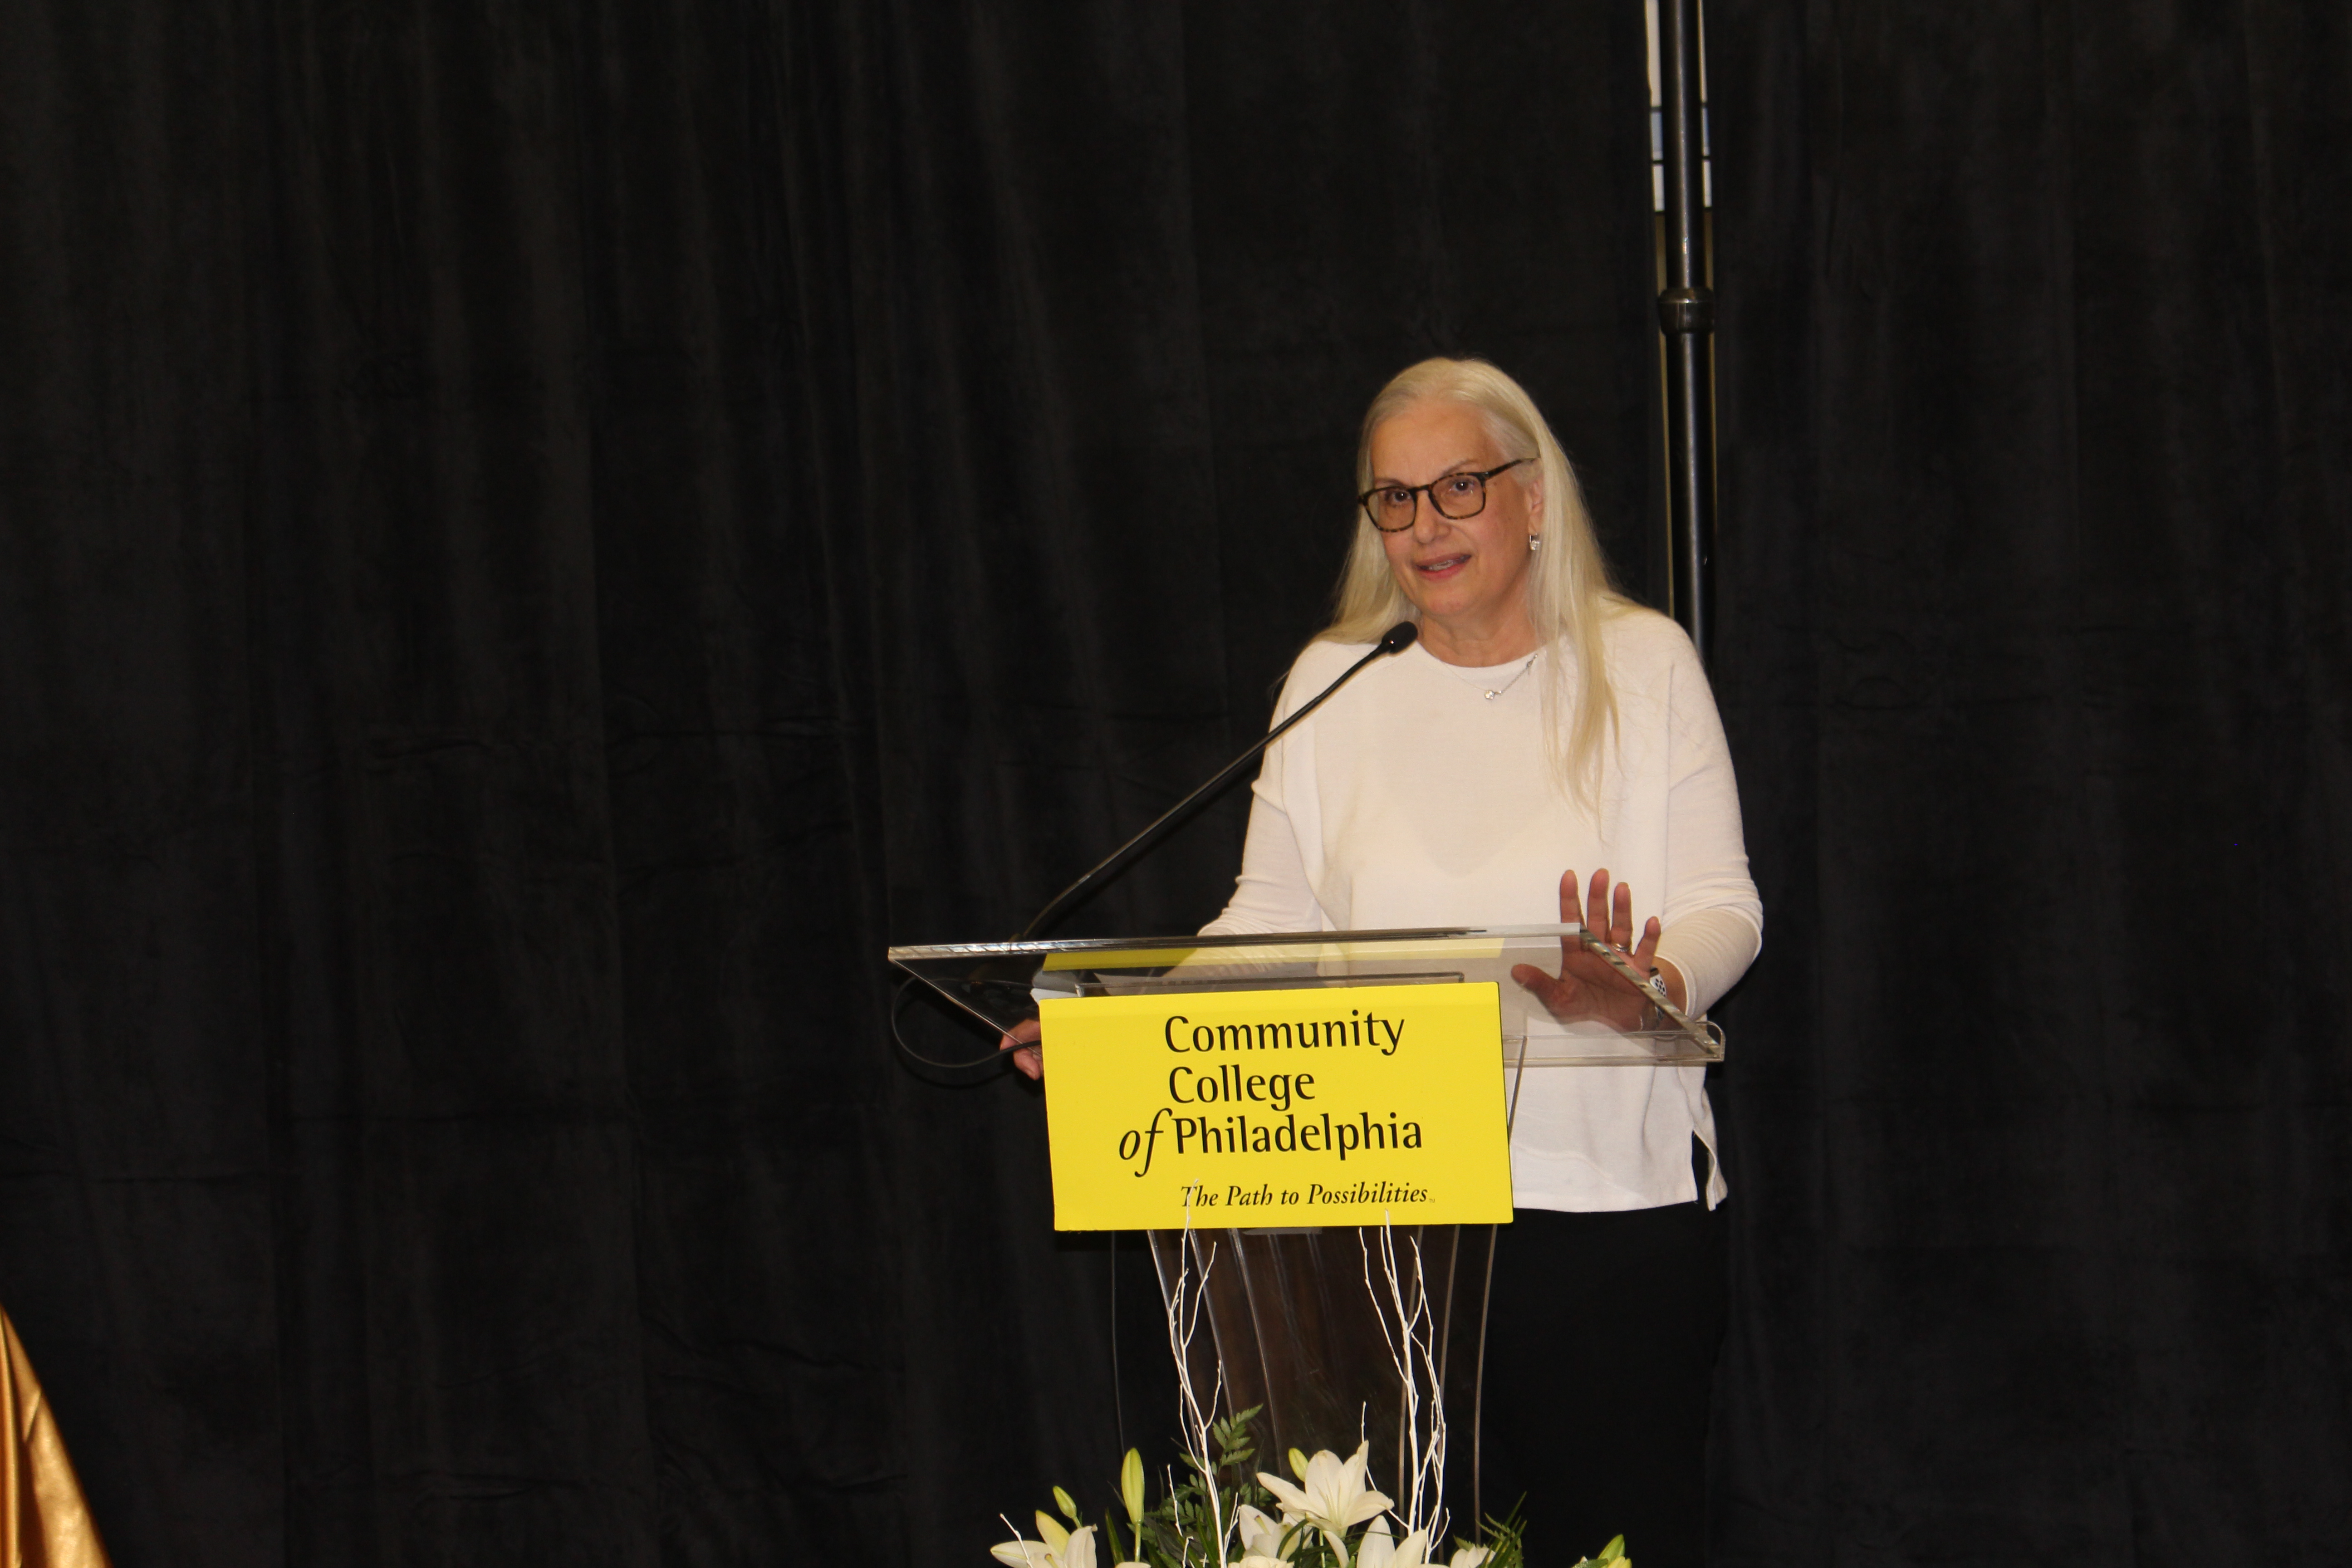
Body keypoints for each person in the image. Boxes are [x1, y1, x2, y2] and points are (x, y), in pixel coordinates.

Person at [1006, 358, 1759, 1566]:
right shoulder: (1335, 683)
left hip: (1604, 1219)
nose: (1425, 525)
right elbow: (1266, 925)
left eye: (1458, 487)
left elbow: (1724, 904)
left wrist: (1650, 986)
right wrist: (1122, 1040)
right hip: (1378, 1221)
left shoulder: (1643, 663)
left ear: (1534, 497)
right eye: (1395, 499)